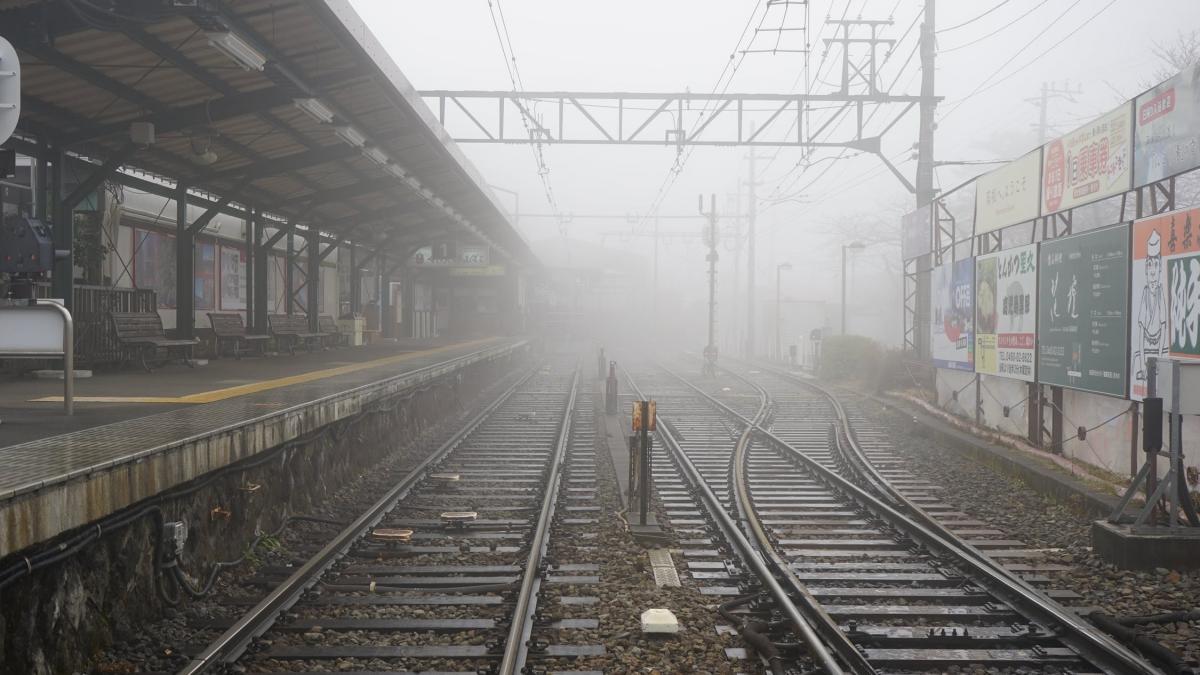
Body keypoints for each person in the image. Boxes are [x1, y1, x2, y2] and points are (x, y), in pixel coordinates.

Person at [1135, 229, 1167, 384]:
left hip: (1159, 352)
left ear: (1160, 267)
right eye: (1149, 265)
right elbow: (1140, 334)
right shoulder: (1145, 292)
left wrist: (1159, 362)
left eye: (1155, 265)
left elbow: (1163, 326)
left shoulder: (1161, 293)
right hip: (1146, 351)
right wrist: (1142, 367)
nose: (1152, 270)